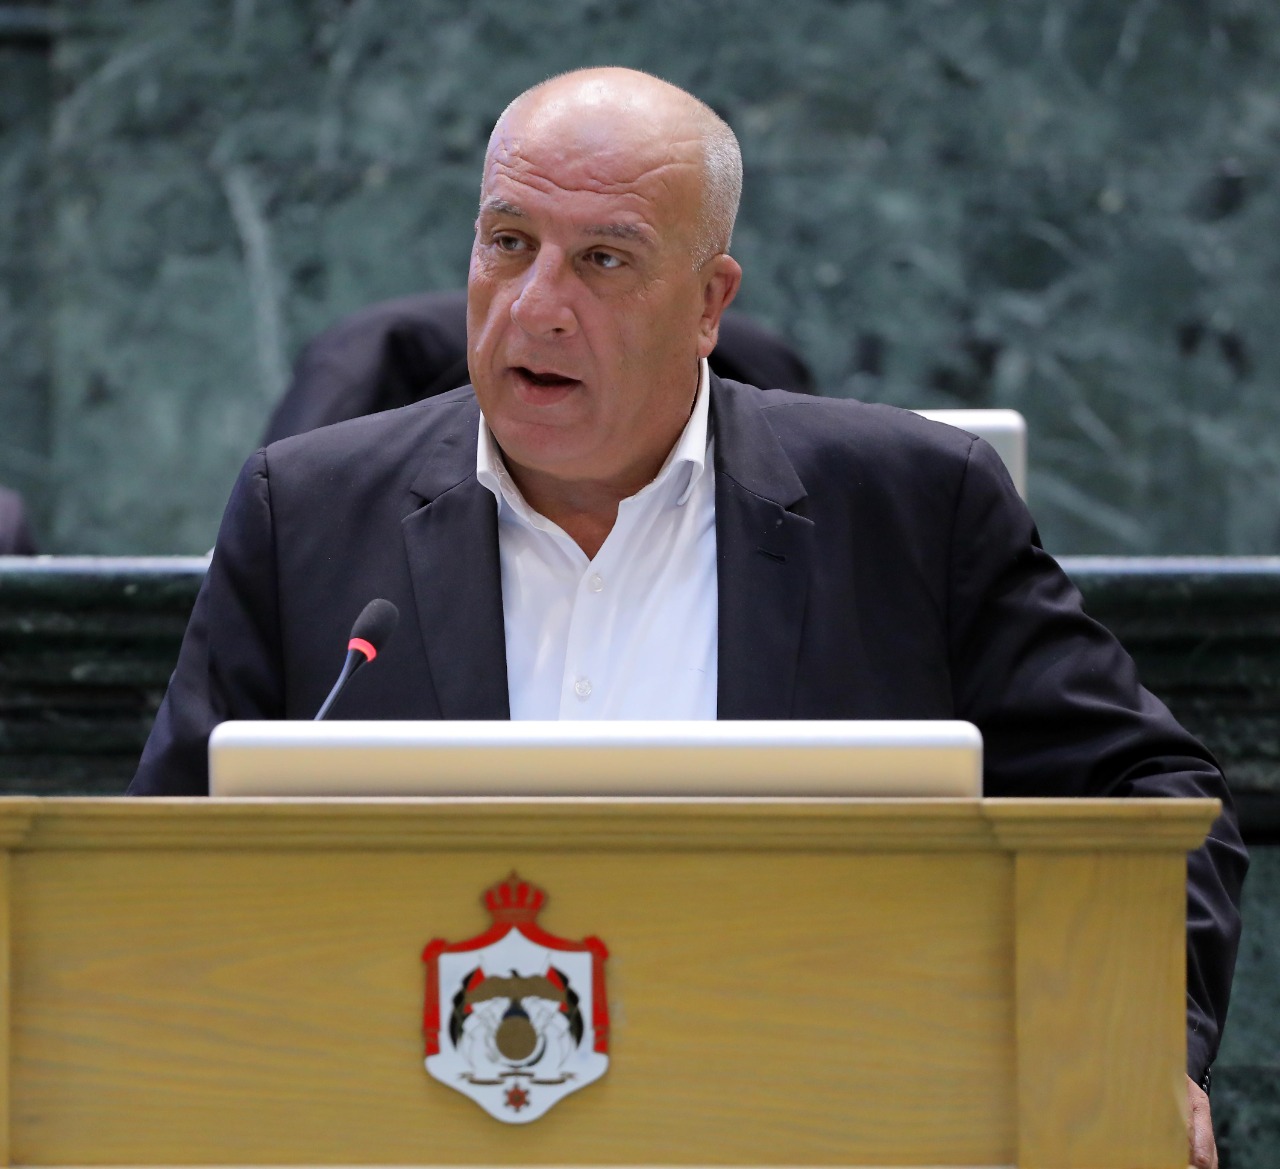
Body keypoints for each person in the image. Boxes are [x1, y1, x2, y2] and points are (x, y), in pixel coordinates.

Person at [131, 67, 1243, 1167]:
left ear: (709, 303)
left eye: (603, 259)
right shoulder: (307, 510)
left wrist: (1136, 1037)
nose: (534, 304)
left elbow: (1147, 795)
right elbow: (160, 877)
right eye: (508, 242)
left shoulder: (908, 504)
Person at [261, 290, 814, 444]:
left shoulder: (752, 370)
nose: (543, 313)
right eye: (509, 242)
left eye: (605, 259)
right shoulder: (356, 363)